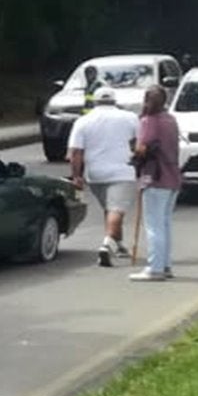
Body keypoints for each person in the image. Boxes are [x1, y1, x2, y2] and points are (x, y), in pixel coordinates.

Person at [68, 87, 139, 267]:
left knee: (110, 209)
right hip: (123, 171)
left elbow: (75, 152)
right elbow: (138, 144)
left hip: (95, 174)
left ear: (94, 102)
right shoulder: (130, 117)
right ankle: (106, 245)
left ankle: (120, 245)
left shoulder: (83, 121)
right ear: (115, 101)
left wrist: (76, 176)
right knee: (116, 210)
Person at [131, 85, 181, 281]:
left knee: (153, 225)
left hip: (154, 175)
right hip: (173, 174)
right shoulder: (170, 119)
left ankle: (155, 268)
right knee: (165, 223)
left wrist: (134, 149)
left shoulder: (149, 121)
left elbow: (142, 148)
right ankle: (165, 264)